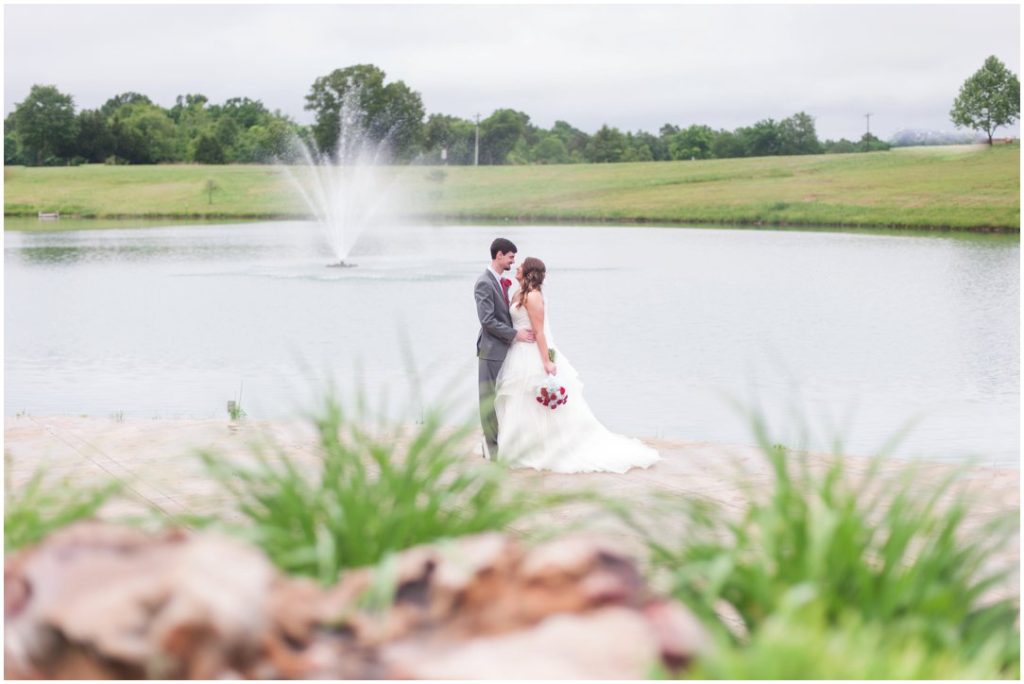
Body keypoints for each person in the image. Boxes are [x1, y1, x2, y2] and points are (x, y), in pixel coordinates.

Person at [494, 257, 660, 473]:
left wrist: (547, 361)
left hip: (532, 353)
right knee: (518, 400)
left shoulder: (534, 297)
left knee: (533, 400)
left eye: (521, 265)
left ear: (528, 272)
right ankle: (518, 446)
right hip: (517, 352)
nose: (517, 267)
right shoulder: (518, 293)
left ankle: (542, 447)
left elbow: (540, 332)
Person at [475, 238, 535, 460]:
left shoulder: (500, 282)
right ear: (499, 255)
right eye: (510, 257)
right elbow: (487, 320)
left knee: (502, 399)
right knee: (487, 399)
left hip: (507, 351)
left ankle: (502, 444)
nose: (513, 261)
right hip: (491, 351)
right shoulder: (484, 282)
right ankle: (492, 450)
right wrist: (515, 334)